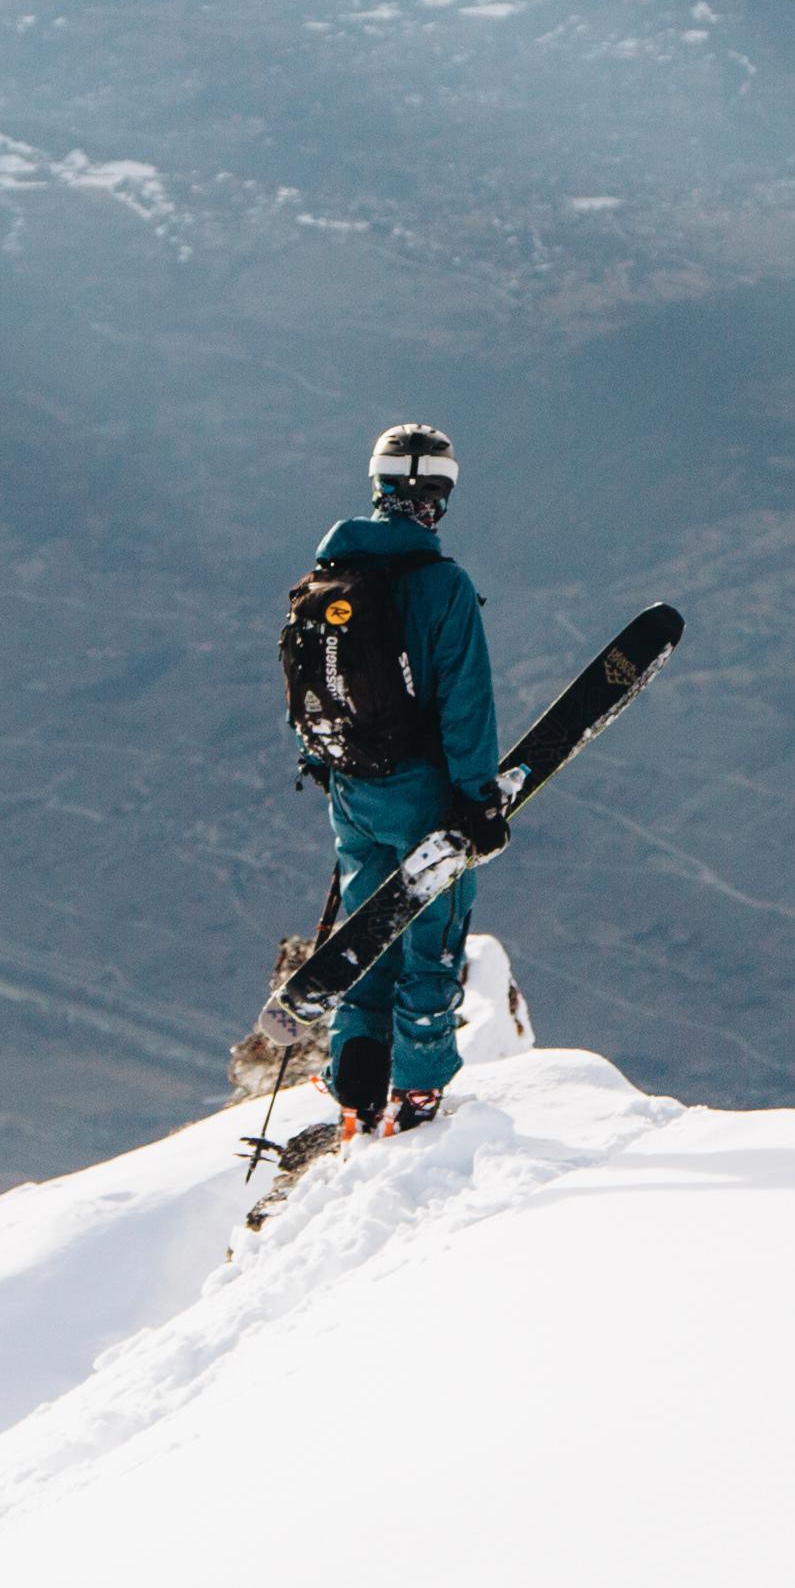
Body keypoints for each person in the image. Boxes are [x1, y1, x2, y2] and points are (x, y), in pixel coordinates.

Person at [292, 418, 502, 1135]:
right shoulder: (442, 586)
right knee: (429, 936)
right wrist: (477, 803)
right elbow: (467, 706)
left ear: (378, 488)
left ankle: (355, 1079)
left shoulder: (330, 575)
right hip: (423, 794)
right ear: (440, 498)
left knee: (365, 928)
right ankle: (418, 1090)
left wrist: (328, 765)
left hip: (351, 787)